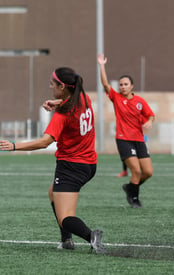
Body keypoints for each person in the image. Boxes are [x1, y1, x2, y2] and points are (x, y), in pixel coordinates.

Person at [0, 67, 105, 254]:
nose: (50, 86)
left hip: (71, 167)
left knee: (64, 218)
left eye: (52, 83)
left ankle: (91, 237)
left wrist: (14, 146)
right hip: (89, 164)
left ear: (63, 86)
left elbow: (44, 142)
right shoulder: (83, 98)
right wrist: (57, 102)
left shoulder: (62, 115)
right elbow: (69, 102)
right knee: (52, 194)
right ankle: (66, 241)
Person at [97, 54, 155, 208]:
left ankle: (130, 187)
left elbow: (150, 115)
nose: (122, 86)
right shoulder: (116, 98)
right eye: (121, 84)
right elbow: (105, 84)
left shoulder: (140, 102)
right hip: (123, 139)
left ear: (131, 86)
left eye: (125, 84)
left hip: (139, 140)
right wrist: (102, 65)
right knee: (136, 170)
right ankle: (134, 199)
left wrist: (149, 121)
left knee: (148, 172)